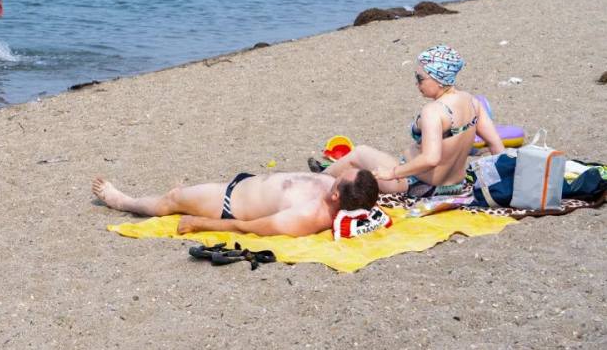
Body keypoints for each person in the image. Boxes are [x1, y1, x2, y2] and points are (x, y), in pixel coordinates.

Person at [317, 45, 505, 197]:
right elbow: (495, 143)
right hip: (456, 185)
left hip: (417, 185)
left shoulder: (434, 111)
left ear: (438, 79)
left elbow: (431, 159)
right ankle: (326, 173)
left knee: (359, 153)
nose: (417, 83)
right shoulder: (472, 102)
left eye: (420, 78)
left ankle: (317, 180)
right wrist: (504, 182)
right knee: (360, 163)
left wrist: (392, 173)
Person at [92, 168, 379, 236]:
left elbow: (250, 227)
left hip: (227, 201)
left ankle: (123, 202)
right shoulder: (346, 191)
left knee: (172, 200)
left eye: (341, 178)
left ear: (336, 196)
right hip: (246, 184)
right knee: (181, 195)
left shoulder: (307, 215)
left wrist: (198, 223)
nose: (337, 174)